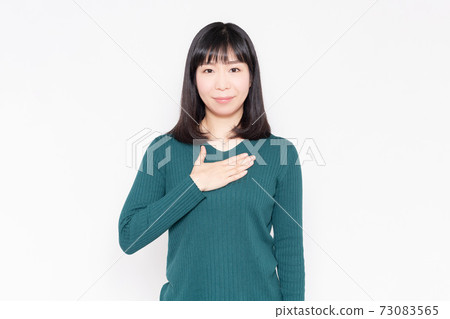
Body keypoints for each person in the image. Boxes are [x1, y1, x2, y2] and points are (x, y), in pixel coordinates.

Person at [118, 22, 305, 301]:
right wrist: (195, 185)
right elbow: (129, 237)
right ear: (193, 78)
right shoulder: (164, 151)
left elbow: (290, 251)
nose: (222, 84)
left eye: (234, 69)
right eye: (208, 70)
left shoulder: (280, 154)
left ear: (251, 77)